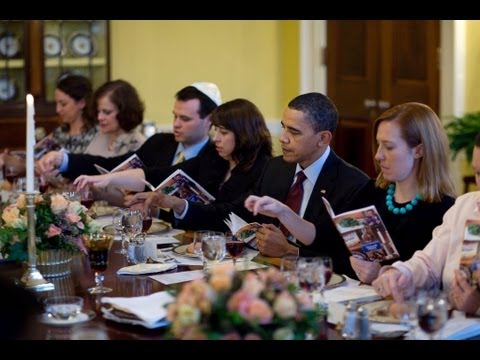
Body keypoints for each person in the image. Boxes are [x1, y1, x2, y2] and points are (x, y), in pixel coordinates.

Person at [245, 102, 456, 281]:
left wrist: (380, 273)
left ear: (419, 150)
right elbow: (324, 239)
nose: (378, 156)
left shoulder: (444, 210)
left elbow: (435, 281)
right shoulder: (373, 191)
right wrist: (283, 212)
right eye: (378, 145)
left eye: (389, 147)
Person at [98, 98, 273, 230]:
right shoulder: (215, 158)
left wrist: (176, 203)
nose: (217, 138)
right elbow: (165, 173)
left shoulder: (264, 168)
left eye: (224, 132)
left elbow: (230, 214)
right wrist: (110, 179)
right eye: (216, 130)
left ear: (244, 135)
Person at [371, 133, 480, 315]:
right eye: (478, 172)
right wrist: (401, 275)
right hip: (449, 328)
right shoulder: (465, 205)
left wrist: (477, 308)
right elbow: (429, 263)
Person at [37, 82, 220, 180]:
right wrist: (64, 159)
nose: (176, 124)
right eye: (174, 116)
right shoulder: (160, 143)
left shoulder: (216, 157)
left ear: (209, 121)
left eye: (185, 119)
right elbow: (112, 166)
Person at [83, 79, 146, 156]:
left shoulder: (137, 145)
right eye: (98, 111)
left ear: (124, 112)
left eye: (107, 112)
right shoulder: (100, 136)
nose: (99, 117)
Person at [48, 74, 97, 154]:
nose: (58, 110)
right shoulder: (58, 133)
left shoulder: (96, 135)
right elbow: (34, 156)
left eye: (63, 104)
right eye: (56, 103)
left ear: (81, 103)